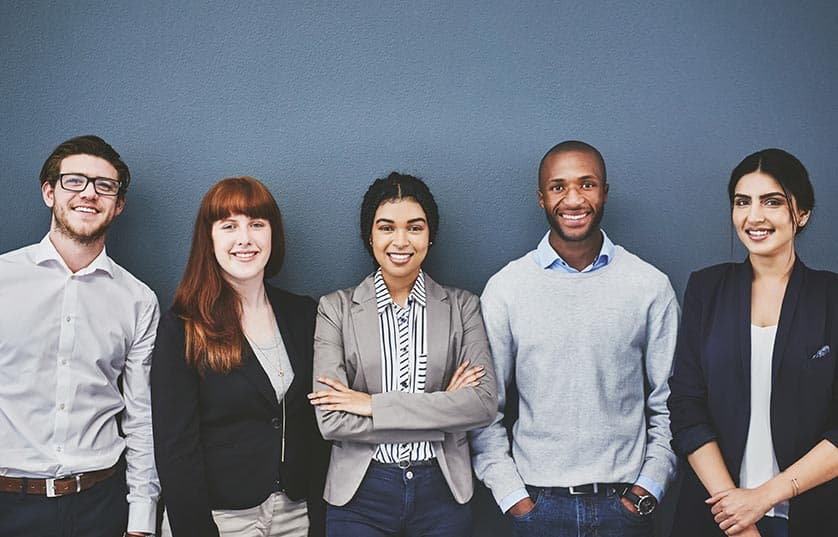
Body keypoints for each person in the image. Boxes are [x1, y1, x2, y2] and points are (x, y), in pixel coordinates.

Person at [469, 140, 679, 536]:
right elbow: (484, 409)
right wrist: (513, 496)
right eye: (558, 187)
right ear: (541, 198)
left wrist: (647, 489)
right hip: (537, 508)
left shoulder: (649, 286)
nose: (573, 199)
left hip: (626, 509)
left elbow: (671, 403)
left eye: (587, 184)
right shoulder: (506, 288)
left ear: (604, 192)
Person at [308, 172, 497, 537]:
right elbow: (332, 422)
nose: (400, 240)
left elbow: (482, 405)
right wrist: (444, 410)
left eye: (414, 227)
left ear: (430, 235)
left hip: (442, 492)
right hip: (360, 497)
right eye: (386, 227)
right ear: (370, 235)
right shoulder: (335, 309)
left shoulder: (463, 307)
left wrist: (372, 405)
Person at [667, 148, 838, 537]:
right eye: (742, 202)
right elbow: (686, 405)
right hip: (716, 516)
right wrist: (737, 515)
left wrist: (763, 498)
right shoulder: (706, 288)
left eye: (772, 202)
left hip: (812, 517)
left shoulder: (832, 297)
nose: (754, 216)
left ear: (803, 213)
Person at [151, 177, 328, 537]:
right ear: (210, 238)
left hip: (295, 515)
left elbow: (317, 428)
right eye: (229, 226)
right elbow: (175, 450)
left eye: (257, 225)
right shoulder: (182, 328)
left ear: (272, 235)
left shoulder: (304, 314)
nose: (245, 239)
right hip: (217, 518)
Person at [0, 135, 159, 537]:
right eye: (74, 181)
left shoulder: (138, 300)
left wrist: (141, 519)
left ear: (118, 204)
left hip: (98, 505)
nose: (89, 193)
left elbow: (140, 418)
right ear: (49, 192)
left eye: (104, 185)